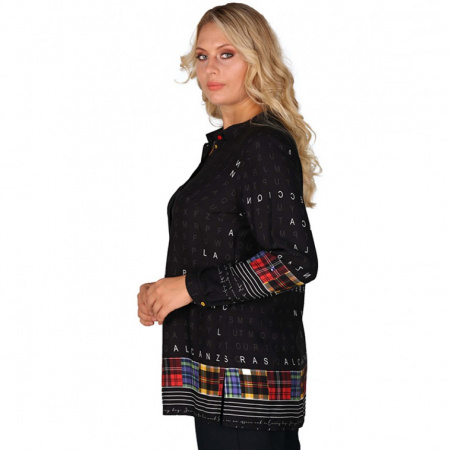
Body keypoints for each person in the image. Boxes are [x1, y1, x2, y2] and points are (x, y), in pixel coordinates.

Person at [137, 3, 321, 449]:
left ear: (256, 60)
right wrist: (163, 290)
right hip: (222, 379)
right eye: (202, 56)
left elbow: (294, 261)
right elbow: (224, 247)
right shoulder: (227, 146)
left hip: (248, 382)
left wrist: (189, 287)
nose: (210, 69)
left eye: (227, 54)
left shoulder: (262, 144)